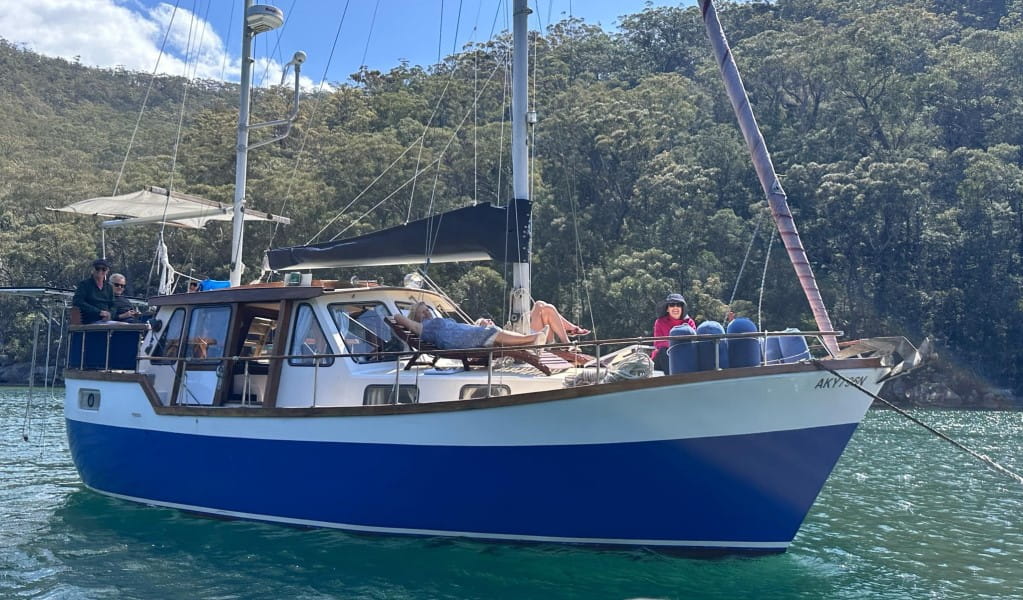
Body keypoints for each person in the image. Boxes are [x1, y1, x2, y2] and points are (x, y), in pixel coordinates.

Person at [395, 302, 548, 350]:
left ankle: (531, 341)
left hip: (461, 334)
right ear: (416, 316)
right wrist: (397, 317)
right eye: (423, 312)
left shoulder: (433, 322)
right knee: (492, 332)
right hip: (457, 339)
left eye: (428, 309)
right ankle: (531, 339)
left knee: (492, 333)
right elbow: (399, 318)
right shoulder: (423, 328)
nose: (427, 313)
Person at [651, 293, 696, 373]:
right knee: (663, 351)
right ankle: (673, 380)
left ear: (682, 308)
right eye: (672, 305)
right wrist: (676, 345)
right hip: (664, 358)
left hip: (684, 356)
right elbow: (658, 344)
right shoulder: (659, 322)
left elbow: (694, 343)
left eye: (678, 305)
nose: (675, 307)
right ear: (667, 309)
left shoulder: (690, 322)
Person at [72, 258, 116, 324]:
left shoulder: (109, 287)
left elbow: (113, 305)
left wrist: (110, 314)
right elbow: (77, 301)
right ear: (92, 269)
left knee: (128, 327)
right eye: (98, 268)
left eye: (104, 269)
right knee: (124, 327)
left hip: (106, 321)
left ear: (107, 271)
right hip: (90, 320)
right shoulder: (84, 284)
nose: (100, 271)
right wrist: (99, 312)